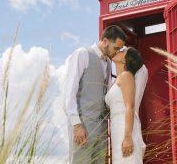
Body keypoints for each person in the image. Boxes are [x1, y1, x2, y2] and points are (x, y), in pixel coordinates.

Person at [63, 25, 126, 164]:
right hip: (83, 127)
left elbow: (108, 95)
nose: (116, 53)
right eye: (115, 48)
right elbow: (69, 93)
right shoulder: (82, 54)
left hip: (102, 129)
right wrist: (76, 125)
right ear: (105, 41)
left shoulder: (109, 62)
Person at [105, 47, 148, 164]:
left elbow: (130, 106)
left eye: (123, 51)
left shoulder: (126, 76)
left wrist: (128, 137)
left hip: (125, 129)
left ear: (125, 61)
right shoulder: (118, 78)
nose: (119, 50)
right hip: (117, 128)